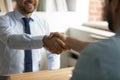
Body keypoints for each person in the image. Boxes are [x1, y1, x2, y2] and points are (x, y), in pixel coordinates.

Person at [44, 0, 120, 79]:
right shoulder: (106, 50)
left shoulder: (96, 54)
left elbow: (100, 51)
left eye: (105, 2)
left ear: (115, 4)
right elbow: (106, 49)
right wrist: (66, 39)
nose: (103, 7)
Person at [0, 0, 66, 75]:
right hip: (9, 78)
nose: (31, 0)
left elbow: (52, 53)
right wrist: (43, 40)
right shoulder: (3, 20)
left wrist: (53, 74)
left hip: (34, 77)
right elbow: (11, 40)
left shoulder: (43, 23)